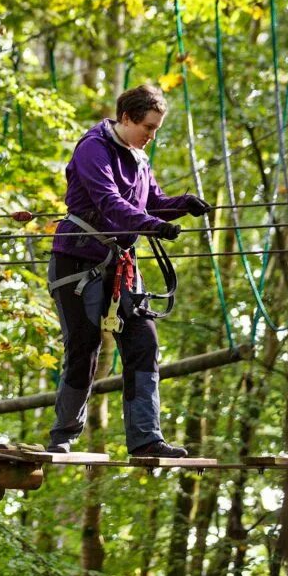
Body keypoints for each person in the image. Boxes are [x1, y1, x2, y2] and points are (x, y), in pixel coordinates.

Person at [47, 84, 211, 458]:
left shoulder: (138, 157)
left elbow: (151, 202)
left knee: (144, 344)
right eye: (148, 127)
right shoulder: (93, 149)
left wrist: (182, 205)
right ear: (126, 118)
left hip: (120, 266)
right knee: (85, 345)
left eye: (155, 129)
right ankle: (64, 434)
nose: (151, 136)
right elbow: (110, 203)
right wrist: (153, 225)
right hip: (77, 262)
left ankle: (145, 439)